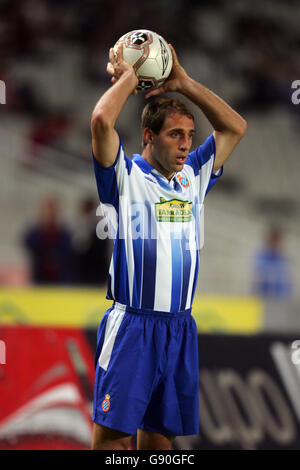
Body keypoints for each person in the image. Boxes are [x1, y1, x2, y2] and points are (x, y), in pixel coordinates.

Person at [90, 42, 247, 450]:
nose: (185, 145)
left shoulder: (193, 174)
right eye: (176, 135)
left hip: (179, 328)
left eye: (190, 136)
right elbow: (102, 121)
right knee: (113, 445)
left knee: (160, 445)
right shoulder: (124, 175)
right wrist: (130, 75)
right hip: (133, 327)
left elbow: (235, 128)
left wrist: (186, 83)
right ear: (149, 136)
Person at [252, 227, 293, 300]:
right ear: (269, 240)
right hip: (264, 298)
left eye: (279, 241)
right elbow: (260, 273)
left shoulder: (282, 259)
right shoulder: (262, 256)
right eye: (275, 241)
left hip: (281, 299)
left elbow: (287, 282)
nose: (278, 244)